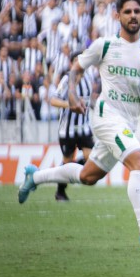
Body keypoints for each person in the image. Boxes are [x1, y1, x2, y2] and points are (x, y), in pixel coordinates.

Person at [18, 0, 140, 249]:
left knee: (88, 175)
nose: (133, 16)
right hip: (106, 116)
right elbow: (75, 68)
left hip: (128, 122)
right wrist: (71, 93)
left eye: (137, 11)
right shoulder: (104, 45)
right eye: (128, 12)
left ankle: (34, 177)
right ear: (118, 16)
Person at [48, 51, 96, 202]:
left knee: (92, 159)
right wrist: (70, 104)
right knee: (67, 161)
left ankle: (68, 169)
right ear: (71, 64)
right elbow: (53, 100)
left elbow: (90, 99)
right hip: (67, 130)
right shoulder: (67, 79)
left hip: (84, 128)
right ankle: (60, 192)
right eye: (76, 61)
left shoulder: (89, 77)